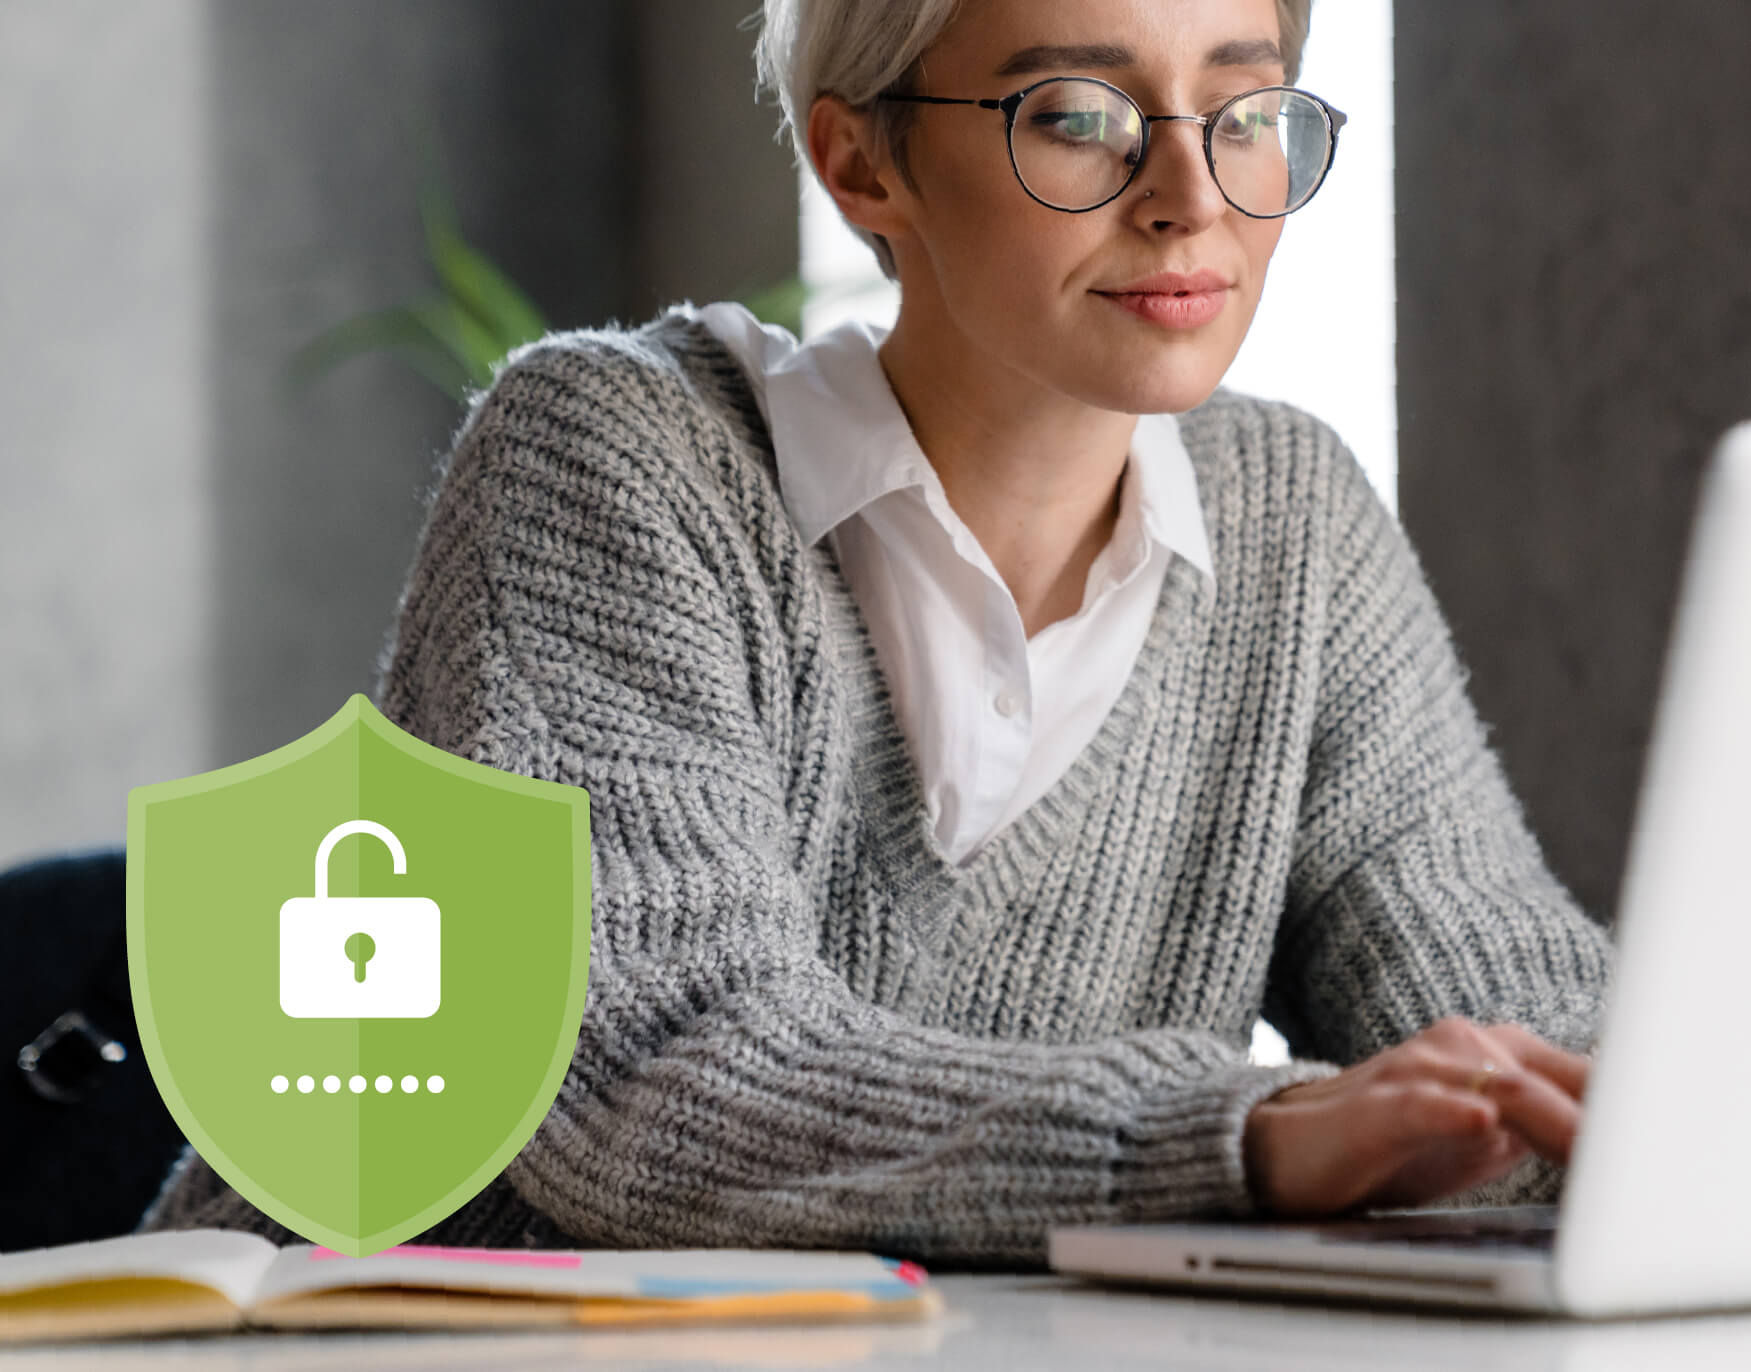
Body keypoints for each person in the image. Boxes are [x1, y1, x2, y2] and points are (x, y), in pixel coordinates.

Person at [137, 0, 1612, 1264]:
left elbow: (1505, 1005)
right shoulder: (612, 452)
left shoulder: (1297, 522)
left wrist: (1680, 1116)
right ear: (862, 163)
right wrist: (1240, 1135)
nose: (1192, 194)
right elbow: (654, 1081)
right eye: (1080, 115)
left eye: (1242, 108)